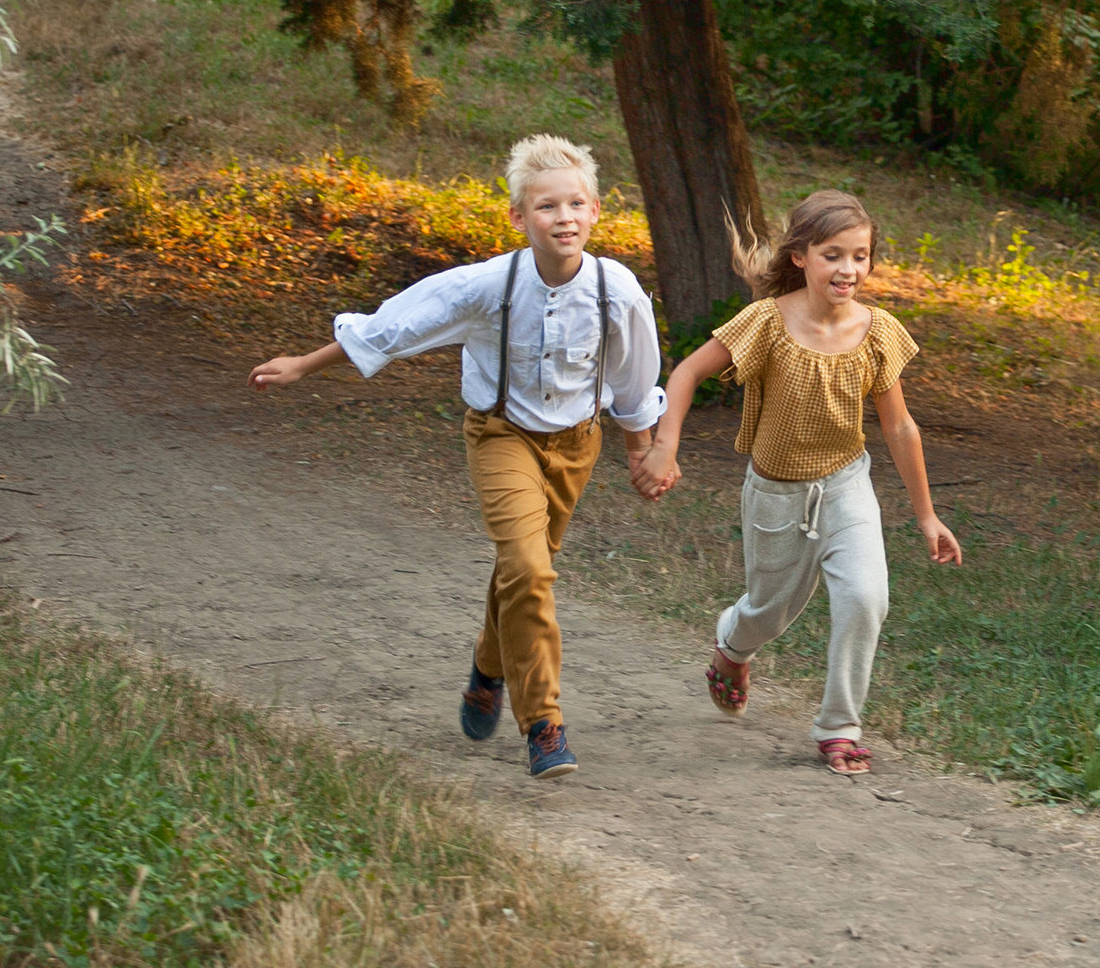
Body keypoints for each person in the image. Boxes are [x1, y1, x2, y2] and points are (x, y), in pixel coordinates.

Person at [248, 134, 667, 780]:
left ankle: (488, 664)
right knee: (528, 569)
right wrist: (305, 363)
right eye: (547, 206)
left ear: (595, 210)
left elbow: (635, 376)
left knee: (524, 570)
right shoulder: (485, 285)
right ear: (519, 217)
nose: (564, 217)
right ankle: (544, 726)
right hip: (502, 435)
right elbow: (396, 325)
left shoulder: (617, 290)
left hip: (577, 443)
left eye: (576, 203)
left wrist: (642, 452)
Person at [636, 190, 961, 775]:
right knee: (767, 611)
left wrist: (927, 516)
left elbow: (900, 426)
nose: (849, 270)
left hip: (846, 487)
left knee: (865, 597)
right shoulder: (766, 323)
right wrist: (665, 444)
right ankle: (733, 648)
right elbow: (686, 371)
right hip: (776, 495)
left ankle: (839, 727)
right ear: (801, 258)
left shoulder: (878, 330)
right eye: (833, 255)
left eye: (860, 256)